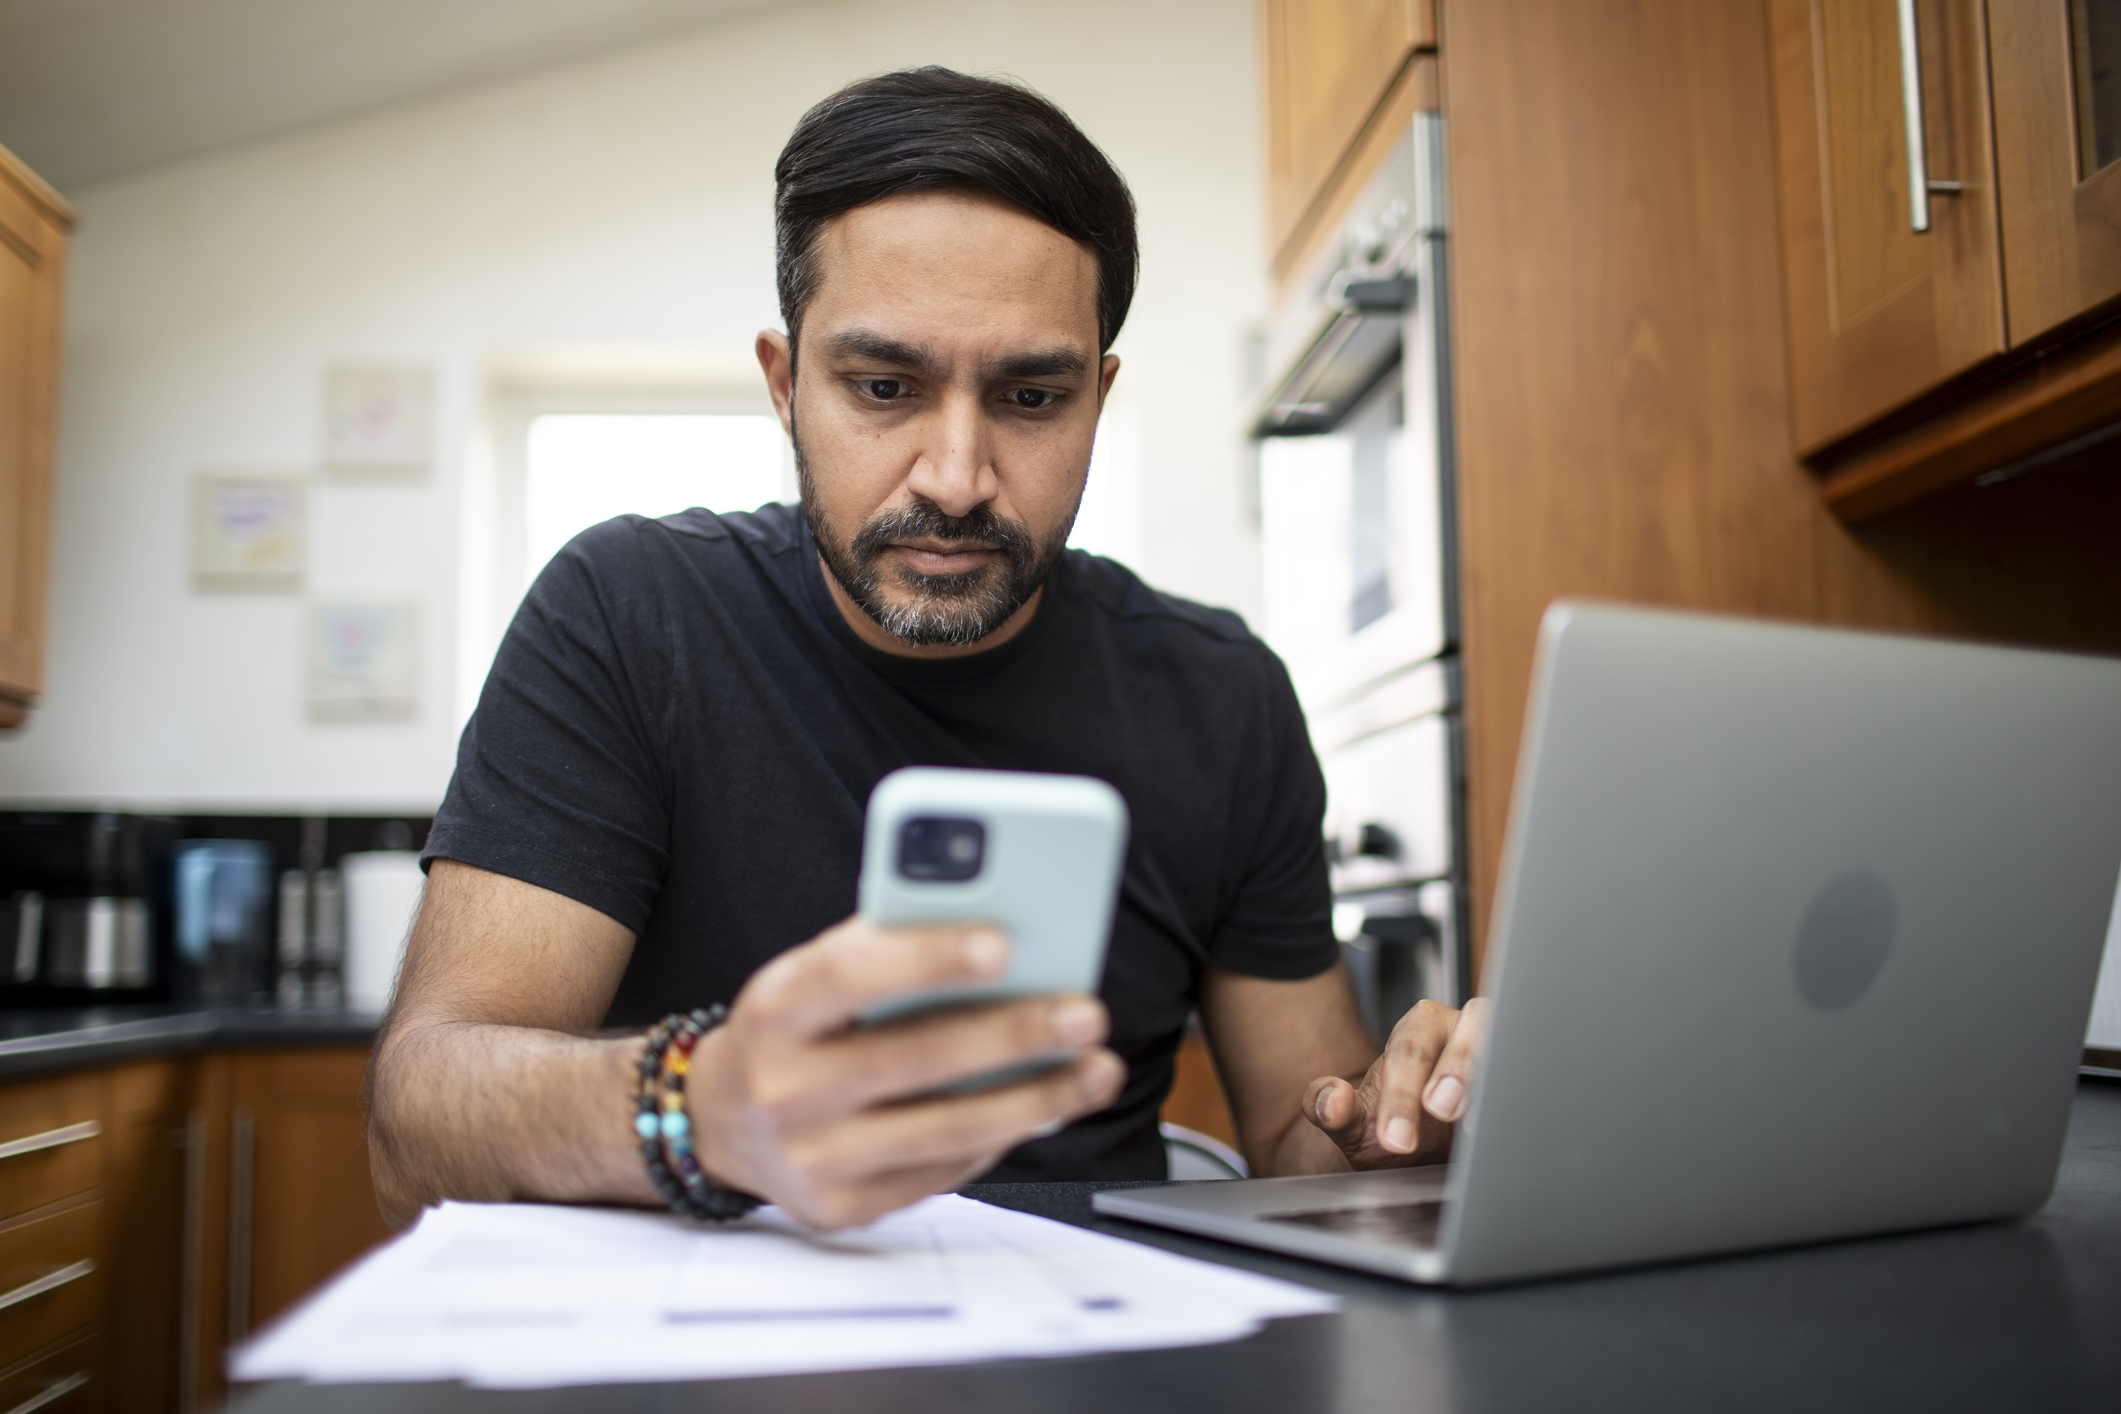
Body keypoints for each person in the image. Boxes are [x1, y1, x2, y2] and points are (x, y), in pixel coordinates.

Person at [366, 66, 1486, 1232]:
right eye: (886, 385)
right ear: (785, 382)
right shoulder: (625, 616)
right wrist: (706, 1104)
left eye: (1031, 397)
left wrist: (1407, 1130)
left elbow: (1304, 1145)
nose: (955, 478)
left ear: (1099, 397)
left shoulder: (1223, 695)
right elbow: (421, 1110)